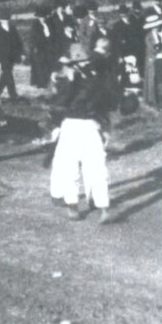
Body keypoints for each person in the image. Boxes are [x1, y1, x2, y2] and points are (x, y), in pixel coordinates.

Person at [48, 50, 116, 222]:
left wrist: (105, 126)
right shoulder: (69, 80)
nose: (83, 65)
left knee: (90, 166)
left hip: (83, 124)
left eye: (85, 62)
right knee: (81, 167)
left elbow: (103, 104)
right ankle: (83, 206)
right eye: (78, 63)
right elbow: (57, 104)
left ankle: (97, 207)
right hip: (77, 124)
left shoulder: (90, 80)